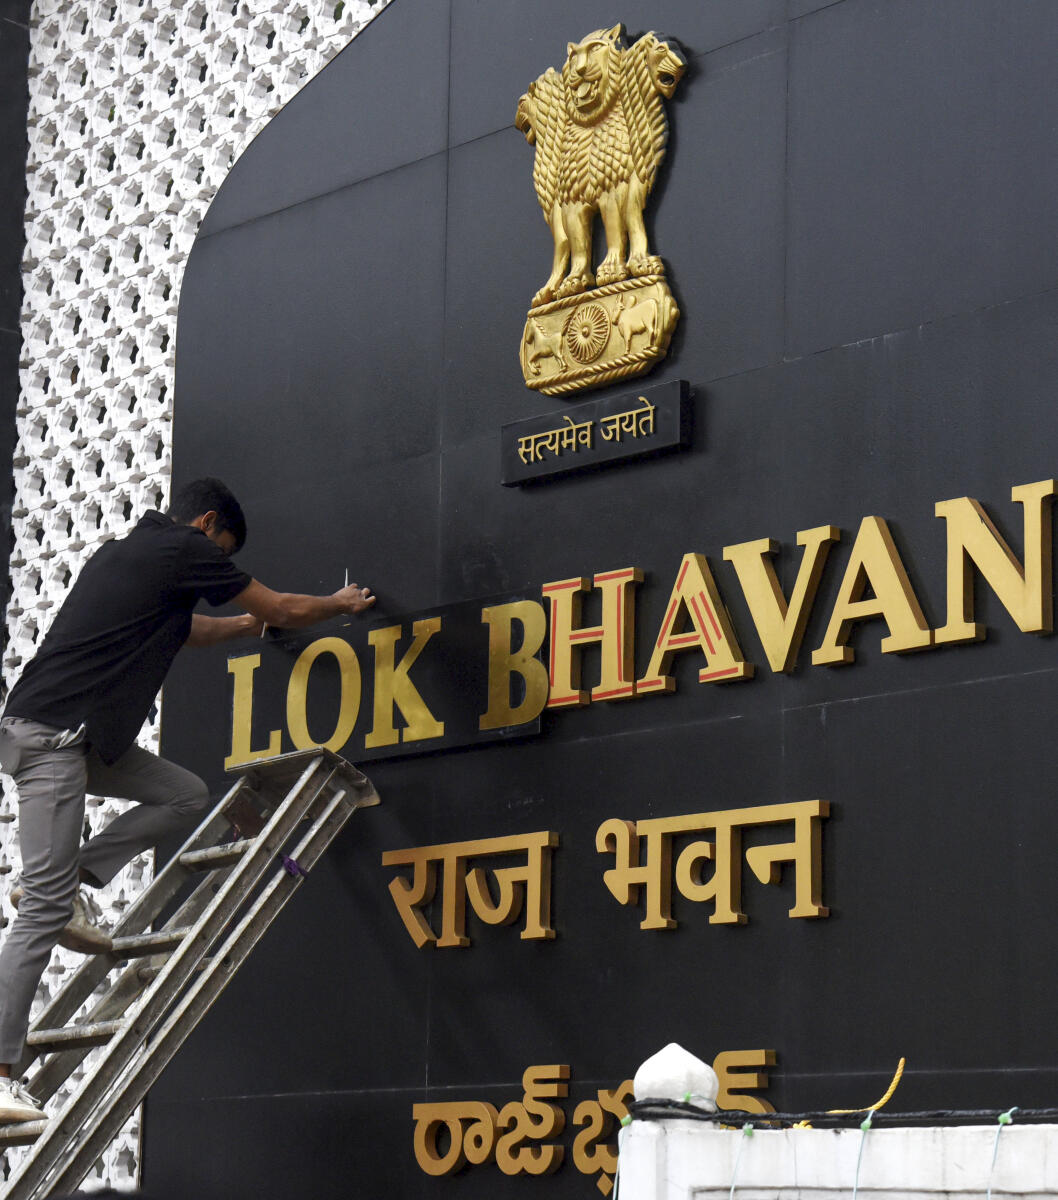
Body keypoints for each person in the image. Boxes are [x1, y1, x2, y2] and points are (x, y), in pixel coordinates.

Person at [0, 478, 375, 1123]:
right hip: (56, 742)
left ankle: (77, 877)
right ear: (207, 525)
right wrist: (338, 604)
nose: (223, 566)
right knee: (37, 914)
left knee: (183, 794)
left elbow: (189, 632)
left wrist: (240, 625)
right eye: (224, 552)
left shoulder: (128, 553)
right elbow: (283, 606)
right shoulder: (185, 549)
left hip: (68, 736)